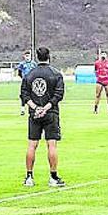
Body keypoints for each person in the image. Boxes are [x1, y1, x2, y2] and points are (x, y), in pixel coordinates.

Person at [20, 47, 66, 188]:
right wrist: (46, 108)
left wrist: (36, 108)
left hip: (34, 114)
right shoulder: (56, 74)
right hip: (51, 113)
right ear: (49, 57)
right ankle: (53, 177)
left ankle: (29, 177)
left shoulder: (29, 75)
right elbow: (58, 95)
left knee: (32, 144)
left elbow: (24, 94)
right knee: (51, 144)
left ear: (37, 57)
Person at [16, 51, 36, 116]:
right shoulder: (22, 64)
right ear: (24, 56)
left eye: (28, 56)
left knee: (33, 95)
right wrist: (23, 78)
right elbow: (19, 72)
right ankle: (22, 109)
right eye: (26, 56)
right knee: (23, 95)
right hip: (25, 82)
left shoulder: (34, 64)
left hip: (32, 82)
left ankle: (33, 108)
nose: (27, 57)